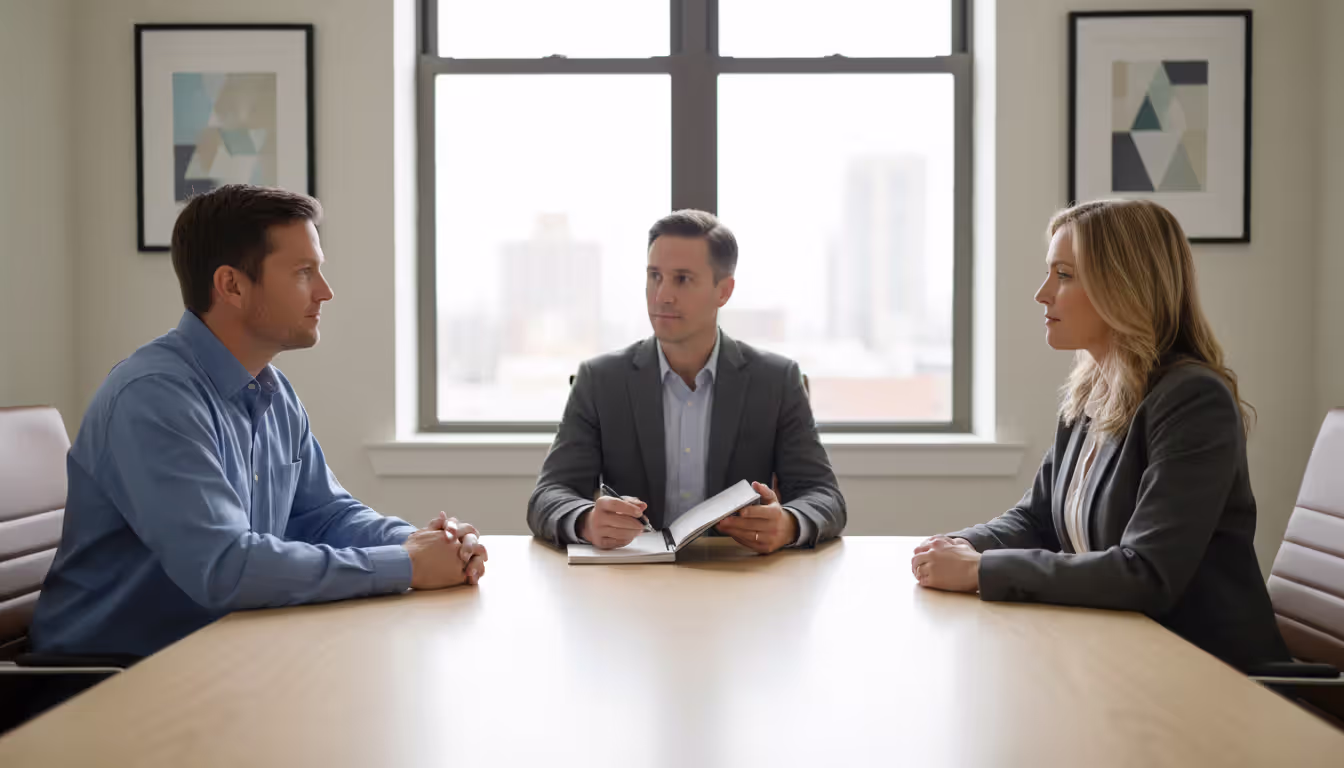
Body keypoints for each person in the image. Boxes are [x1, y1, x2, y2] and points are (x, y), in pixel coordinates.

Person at [30, 185, 487, 660]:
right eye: (303, 272)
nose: (325, 292)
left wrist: (422, 542)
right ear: (231, 285)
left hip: (214, 656)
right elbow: (226, 568)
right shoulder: (153, 397)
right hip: (102, 682)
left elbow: (325, 515)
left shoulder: (272, 391)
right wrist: (407, 566)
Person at [911, 199, 1287, 671]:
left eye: (1064, 275)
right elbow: (1038, 519)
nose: (1042, 293)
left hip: (1208, 675)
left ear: (1123, 288)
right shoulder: (1092, 388)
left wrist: (979, 571)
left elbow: (1145, 572)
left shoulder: (1193, 401)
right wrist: (955, 547)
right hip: (1120, 655)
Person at [528, 210, 845, 552]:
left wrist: (789, 523)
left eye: (682, 279)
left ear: (723, 291)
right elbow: (548, 495)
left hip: (739, 580)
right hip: (632, 583)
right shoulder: (601, 380)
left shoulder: (776, 381)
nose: (662, 295)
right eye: (655, 276)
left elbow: (825, 497)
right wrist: (586, 520)